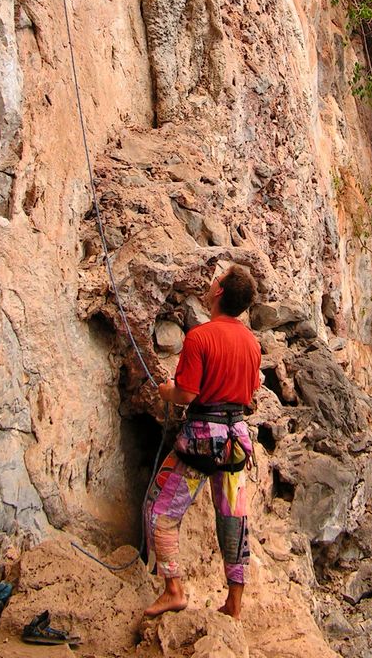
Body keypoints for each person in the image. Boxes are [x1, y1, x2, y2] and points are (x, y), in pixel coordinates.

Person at [143, 264, 261, 620]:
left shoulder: (200, 338)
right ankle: (234, 603)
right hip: (236, 442)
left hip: (202, 442)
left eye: (217, 278)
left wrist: (166, 390)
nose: (212, 281)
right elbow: (250, 395)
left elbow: (188, 393)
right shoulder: (252, 343)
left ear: (219, 292)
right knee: (233, 519)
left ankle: (173, 590)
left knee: (160, 510)